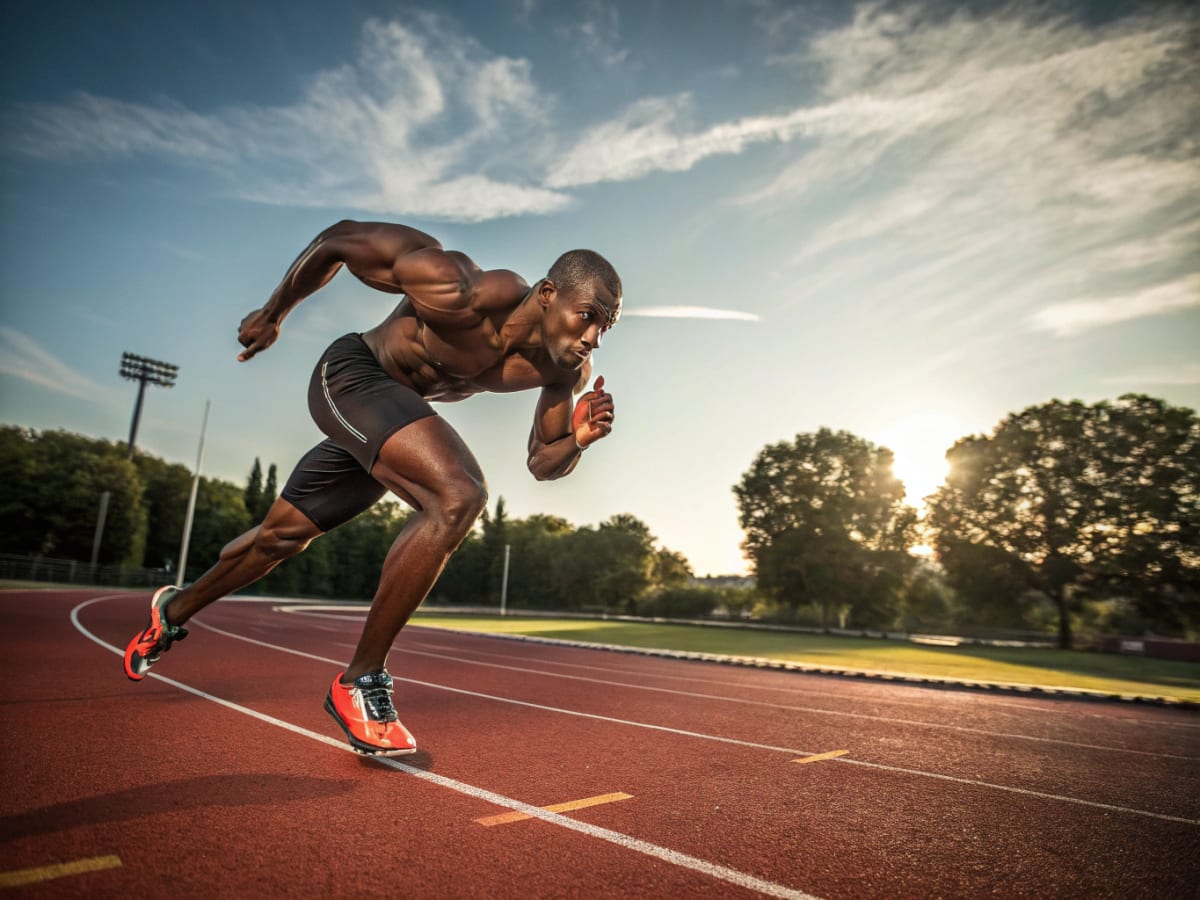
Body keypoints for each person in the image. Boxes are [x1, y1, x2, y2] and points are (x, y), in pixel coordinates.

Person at [122, 220, 620, 757]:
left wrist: (580, 440)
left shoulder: (561, 367)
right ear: (548, 294)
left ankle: (171, 612)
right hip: (352, 376)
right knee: (458, 495)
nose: (592, 336)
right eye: (587, 316)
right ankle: (360, 680)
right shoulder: (461, 288)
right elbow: (338, 239)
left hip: (395, 418)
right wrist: (273, 315)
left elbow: (542, 462)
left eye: (605, 327)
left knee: (279, 539)